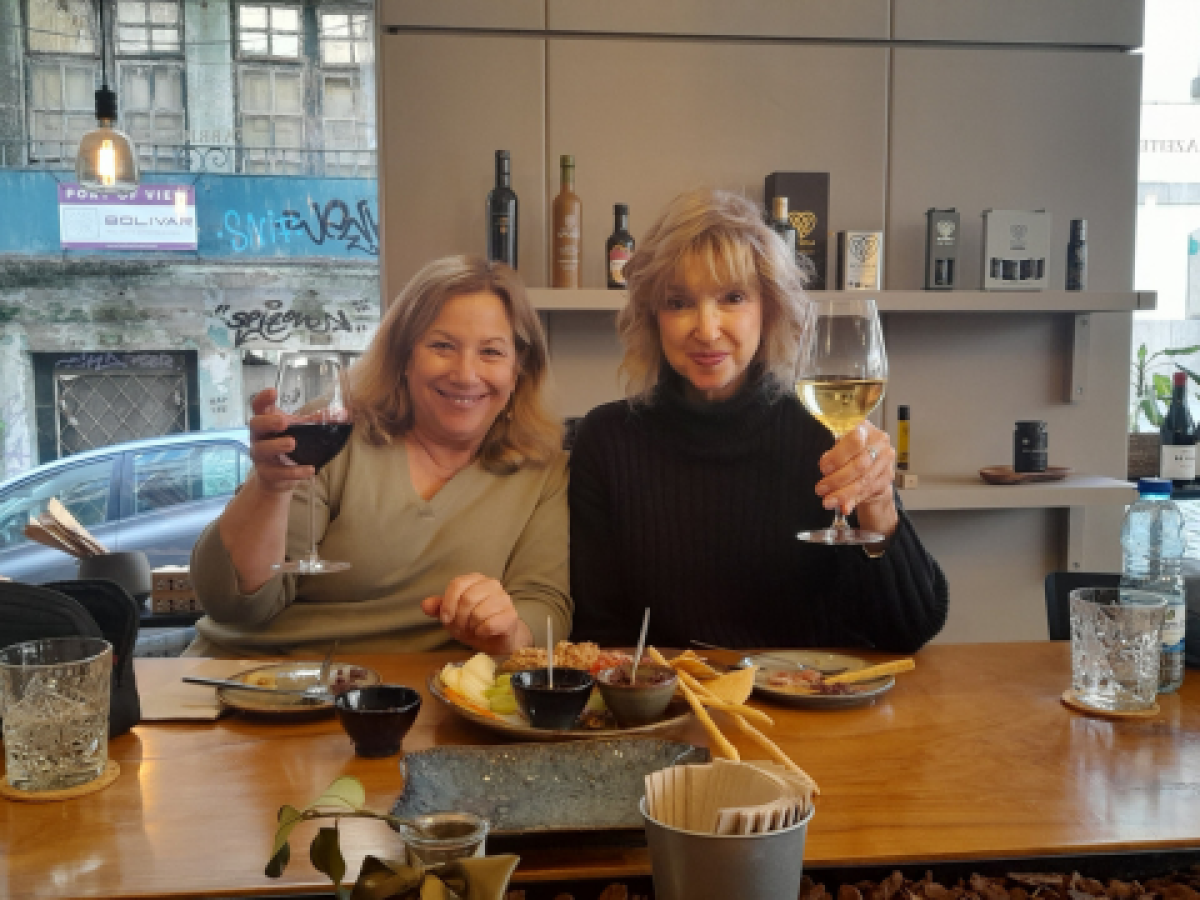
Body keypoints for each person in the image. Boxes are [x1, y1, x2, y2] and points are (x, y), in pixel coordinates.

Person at [569, 189, 948, 651]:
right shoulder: (606, 442)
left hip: (811, 704)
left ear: (768, 308)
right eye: (678, 302)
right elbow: (600, 637)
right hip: (673, 711)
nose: (707, 329)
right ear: (652, 317)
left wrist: (880, 507)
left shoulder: (824, 434)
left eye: (732, 297)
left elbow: (907, 632)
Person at [189, 256, 570, 658]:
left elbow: (545, 605)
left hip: (410, 703)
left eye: (491, 352)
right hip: (252, 685)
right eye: (442, 346)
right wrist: (268, 489)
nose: (464, 374)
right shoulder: (335, 432)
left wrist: (508, 633)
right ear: (404, 355)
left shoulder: (544, 470)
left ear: (519, 368)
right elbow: (235, 604)